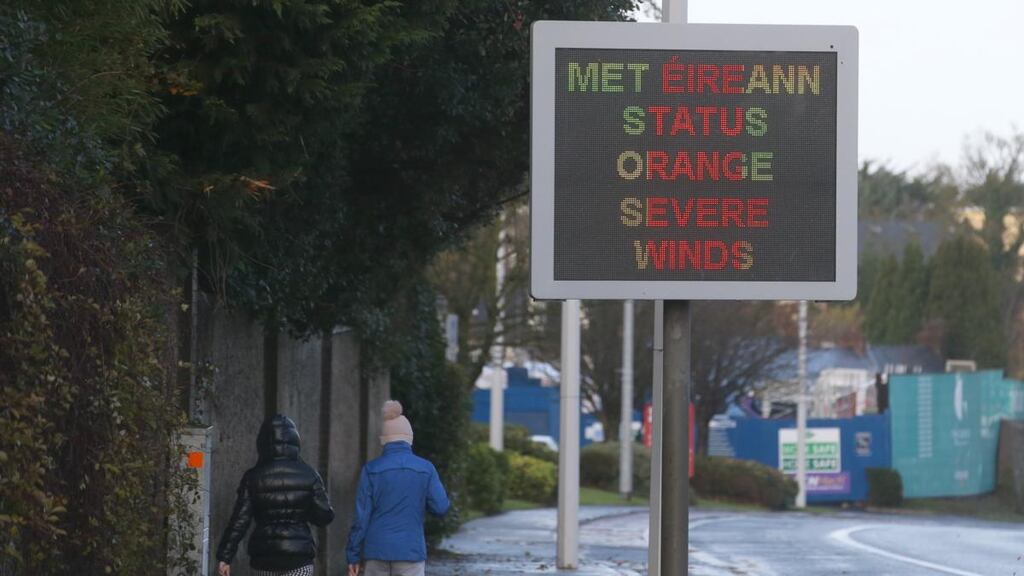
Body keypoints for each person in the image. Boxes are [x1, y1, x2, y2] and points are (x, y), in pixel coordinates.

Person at [216, 414, 334, 576]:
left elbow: (240, 520)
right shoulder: (309, 475)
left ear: (262, 443)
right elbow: (324, 516)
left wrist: (225, 557)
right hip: (298, 558)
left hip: (264, 559)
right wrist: (304, 510)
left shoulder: (253, 477)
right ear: (295, 441)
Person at [346, 400, 450, 576]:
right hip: (411, 550)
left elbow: (361, 518)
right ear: (409, 438)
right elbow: (441, 507)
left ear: (384, 441)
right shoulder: (426, 469)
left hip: (376, 550)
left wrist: (353, 556)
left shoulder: (371, 470)